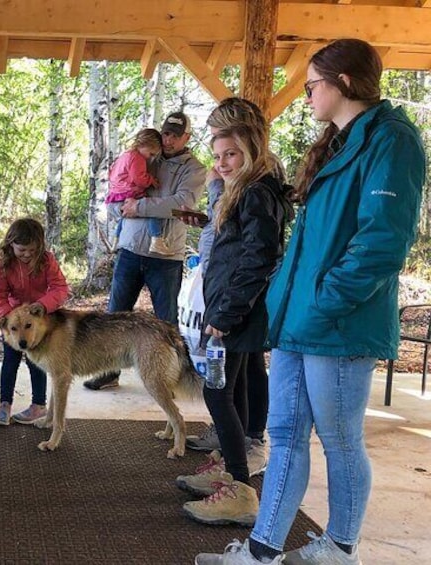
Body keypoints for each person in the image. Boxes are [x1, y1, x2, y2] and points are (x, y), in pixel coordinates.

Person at [196, 38, 426, 565]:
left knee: (340, 441)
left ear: (343, 83)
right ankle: (262, 552)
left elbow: (382, 243)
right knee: (284, 436)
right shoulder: (341, 142)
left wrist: (323, 302)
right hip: (301, 321)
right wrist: (289, 301)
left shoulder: (391, 141)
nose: (306, 96)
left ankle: (341, 549)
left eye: (312, 85)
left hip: (338, 324)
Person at [175, 124, 292, 527]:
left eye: (232, 154)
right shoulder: (242, 191)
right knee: (233, 389)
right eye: (219, 155)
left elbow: (257, 258)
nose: (222, 163)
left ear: (252, 153)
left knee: (217, 393)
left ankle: (240, 491)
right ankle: (231, 471)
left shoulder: (255, 192)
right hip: (232, 308)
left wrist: (225, 315)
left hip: (235, 312)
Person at [84, 112, 206, 390]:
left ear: (188, 137)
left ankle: (173, 377)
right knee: (114, 317)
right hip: (130, 250)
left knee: (167, 322)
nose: (169, 140)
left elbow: (182, 203)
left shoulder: (194, 169)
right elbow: (117, 197)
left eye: (176, 135)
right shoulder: (144, 157)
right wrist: (120, 208)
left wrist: (137, 208)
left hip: (165, 256)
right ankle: (109, 372)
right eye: (166, 134)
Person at [0, 218, 70, 425]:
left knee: (38, 361)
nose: (27, 254)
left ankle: (38, 405)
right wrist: (7, 317)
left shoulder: (47, 260)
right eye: (22, 250)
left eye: (32, 250)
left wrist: (43, 305)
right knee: (10, 360)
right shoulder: (4, 265)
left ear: (40, 246)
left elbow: (60, 288)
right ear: (11, 245)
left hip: (39, 320)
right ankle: (5, 404)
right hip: (13, 320)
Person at [105, 128, 163, 247]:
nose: (150, 158)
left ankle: (116, 239)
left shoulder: (125, 155)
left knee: (124, 216)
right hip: (126, 194)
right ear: (143, 144)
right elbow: (139, 180)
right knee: (151, 209)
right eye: (151, 154)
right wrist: (151, 180)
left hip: (114, 196)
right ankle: (157, 240)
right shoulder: (137, 158)